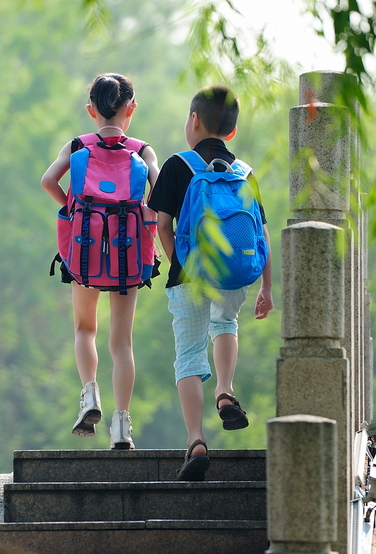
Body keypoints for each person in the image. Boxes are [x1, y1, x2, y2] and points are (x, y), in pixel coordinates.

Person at [148, 85, 274, 480]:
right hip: (236, 274)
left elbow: (162, 226)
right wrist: (268, 288)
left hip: (190, 276)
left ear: (193, 120)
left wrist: (181, 264)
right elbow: (261, 234)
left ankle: (196, 440)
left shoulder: (176, 165)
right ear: (232, 132)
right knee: (225, 324)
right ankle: (225, 391)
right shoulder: (245, 173)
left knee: (187, 355)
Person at [41, 73, 160, 450]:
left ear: (91, 110)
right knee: (121, 343)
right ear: (131, 109)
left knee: (84, 329)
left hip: (85, 250)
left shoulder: (77, 146)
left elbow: (48, 180)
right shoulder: (142, 151)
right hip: (128, 253)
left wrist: (73, 209)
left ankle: (89, 395)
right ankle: (122, 427)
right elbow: (160, 195)